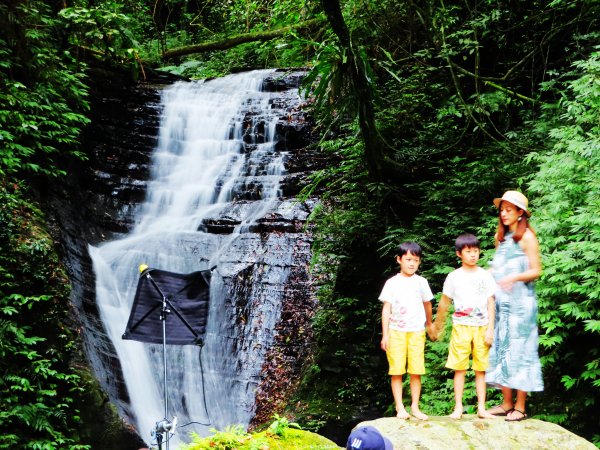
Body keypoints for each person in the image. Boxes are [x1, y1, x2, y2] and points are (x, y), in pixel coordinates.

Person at [485, 191, 543, 422]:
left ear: (521, 213)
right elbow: (497, 269)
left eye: (510, 209)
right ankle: (506, 402)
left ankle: (520, 406)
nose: (504, 213)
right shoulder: (502, 237)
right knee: (502, 348)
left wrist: (514, 277)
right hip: (503, 304)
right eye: (502, 209)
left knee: (521, 351)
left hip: (522, 305)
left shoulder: (527, 237)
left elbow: (536, 270)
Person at [432, 233, 496, 419]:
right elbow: (444, 303)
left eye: (476, 251)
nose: (473, 255)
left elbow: (491, 303)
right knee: (459, 368)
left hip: (482, 326)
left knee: (480, 368)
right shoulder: (453, 277)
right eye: (468, 252)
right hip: (461, 326)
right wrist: (438, 326)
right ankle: (458, 407)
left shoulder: (485, 276)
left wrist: (491, 329)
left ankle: (482, 408)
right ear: (459, 254)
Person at [379, 242, 435, 420]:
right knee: (396, 370)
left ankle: (415, 407)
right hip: (396, 332)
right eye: (408, 259)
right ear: (399, 259)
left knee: (416, 370)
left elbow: (428, 304)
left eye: (416, 260)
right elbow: (386, 309)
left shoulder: (422, 282)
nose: (412, 263)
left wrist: (429, 324)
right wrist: (385, 334)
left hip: (417, 331)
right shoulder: (392, 283)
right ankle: (400, 407)